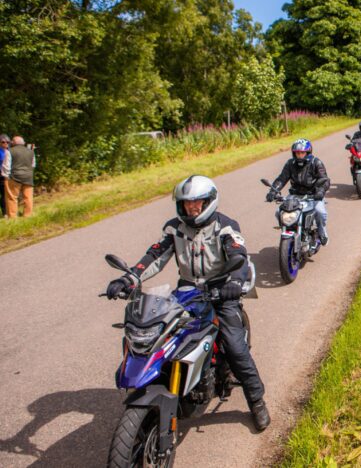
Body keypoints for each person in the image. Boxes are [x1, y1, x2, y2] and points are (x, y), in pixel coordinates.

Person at [105, 175, 271, 431]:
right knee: (159, 334)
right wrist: (130, 277)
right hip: (187, 291)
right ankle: (166, 381)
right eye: (186, 204)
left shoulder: (226, 226)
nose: (191, 208)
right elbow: (155, 256)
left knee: (236, 348)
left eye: (197, 203)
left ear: (209, 202)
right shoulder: (174, 228)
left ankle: (257, 400)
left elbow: (238, 255)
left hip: (221, 290)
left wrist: (234, 284)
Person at [266, 139, 330, 245]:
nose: (299, 155)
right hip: (295, 195)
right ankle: (290, 229)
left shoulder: (316, 162)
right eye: (297, 153)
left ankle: (322, 232)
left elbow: (324, 180)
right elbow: (282, 178)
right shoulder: (290, 164)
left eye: (302, 152)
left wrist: (320, 191)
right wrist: (273, 191)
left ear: (308, 153)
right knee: (279, 212)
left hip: (313, 195)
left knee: (320, 212)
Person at [2, 136, 36, 219]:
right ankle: (28, 215)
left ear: (13, 143)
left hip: (14, 177)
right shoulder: (30, 151)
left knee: (12, 197)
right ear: (23, 143)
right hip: (28, 176)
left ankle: (13, 217)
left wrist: (5, 176)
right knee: (28, 197)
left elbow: (6, 166)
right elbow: (33, 165)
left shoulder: (9, 151)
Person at [0, 134, 9, 217]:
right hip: (1, 175)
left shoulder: (9, 151)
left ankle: (5, 213)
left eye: (7, 142)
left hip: (5, 176)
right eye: (3, 142)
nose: (5, 143)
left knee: (4, 195)